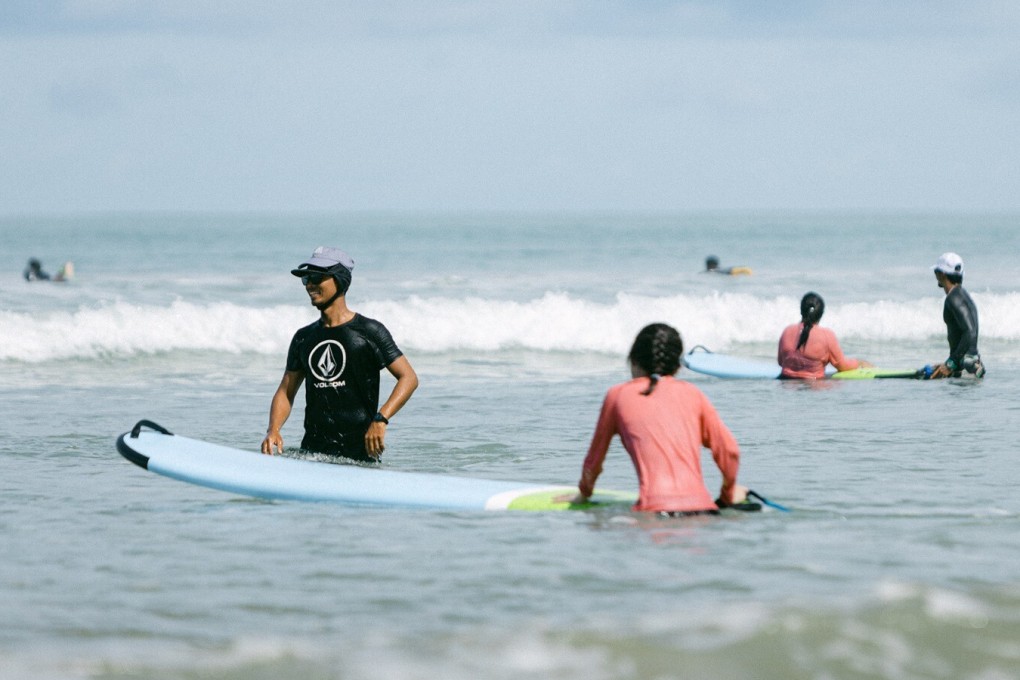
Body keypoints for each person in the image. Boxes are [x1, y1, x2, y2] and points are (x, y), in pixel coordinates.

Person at [261, 246, 419, 462]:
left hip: (358, 457)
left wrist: (381, 419)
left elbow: (408, 378)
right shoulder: (303, 337)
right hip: (312, 455)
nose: (309, 284)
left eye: (317, 277)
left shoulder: (369, 331)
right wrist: (274, 430)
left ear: (340, 279)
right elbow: (286, 392)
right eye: (306, 278)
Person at [575, 323, 747, 515]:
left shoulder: (617, 395)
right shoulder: (694, 394)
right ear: (677, 367)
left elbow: (593, 462)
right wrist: (727, 495)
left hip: (653, 513)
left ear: (634, 360)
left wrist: (584, 493)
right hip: (703, 511)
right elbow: (730, 451)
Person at [777, 292, 867, 379]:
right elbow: (842, 366)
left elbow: (781, 362)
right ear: (821, 314)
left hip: (785, 383)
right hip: (814, 386)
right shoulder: (827, 335)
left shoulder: (787, 331)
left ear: (801, 310)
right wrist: (859, 363)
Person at [929, 252, 985, 379]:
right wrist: (948, 362)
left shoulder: (953, 298)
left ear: (941, 274)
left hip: (966, 371)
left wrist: (950, 364)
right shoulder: (963, 295)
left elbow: (970, 332)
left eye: (936, 271)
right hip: (971, 367)